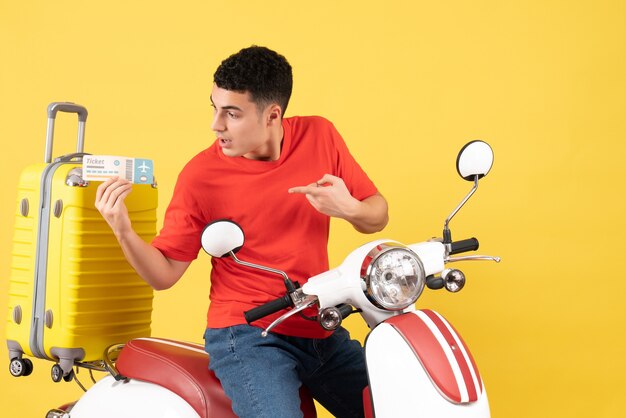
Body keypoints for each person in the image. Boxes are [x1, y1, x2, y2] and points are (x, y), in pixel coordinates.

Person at [95, 45, 388, 418]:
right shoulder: (201, 176)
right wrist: (121, 228)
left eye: (231, 114)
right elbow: (163, 273)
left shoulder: (320, 135)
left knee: (396, 403)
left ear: (272, 115)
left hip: (318, 323)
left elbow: (377, 215)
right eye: (214, 108)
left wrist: (350, 208)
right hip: (247, 334)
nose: (216, 124)